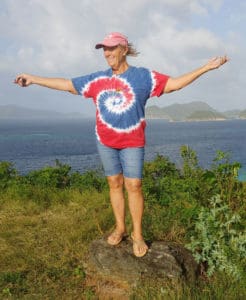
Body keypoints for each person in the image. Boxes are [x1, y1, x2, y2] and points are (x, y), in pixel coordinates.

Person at [14, 32, 228, 257]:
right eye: (104, 49)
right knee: (114, 183)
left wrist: (205, 68)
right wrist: (34, 78)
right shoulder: (98, 79)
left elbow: (174, 84)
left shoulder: (143, 77)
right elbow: (67, 84)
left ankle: (137, 234)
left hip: (132, 142)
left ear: (124, 50)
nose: (107, 53)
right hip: (105, 141)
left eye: (111, 48)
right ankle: (120, 227)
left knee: (133, 186)